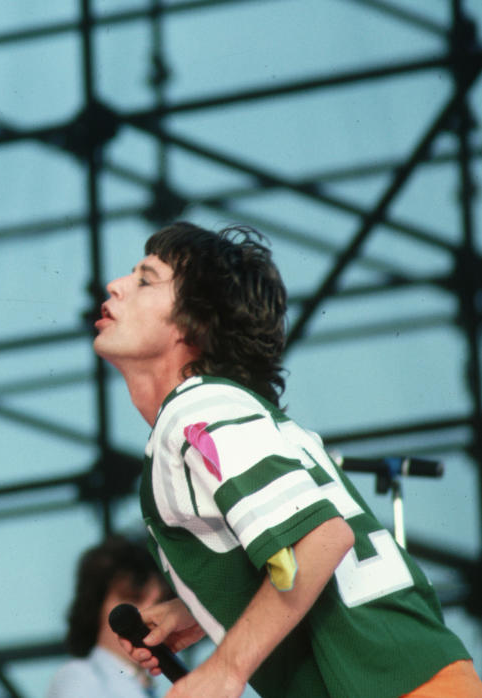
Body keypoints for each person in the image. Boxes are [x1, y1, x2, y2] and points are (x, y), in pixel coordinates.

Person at [92, 221, 482, 698]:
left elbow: (320, 537)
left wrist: (226, 668)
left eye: (146, 279)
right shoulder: (230, 411)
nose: (116, 285)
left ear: (194, 324)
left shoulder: (196, 411)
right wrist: (196, 608)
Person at [46, 536, 169, 698]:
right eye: (134, 598)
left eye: (160, 602)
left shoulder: (150, 685)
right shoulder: (79, 677)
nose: (149, 613)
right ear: (96, 606)